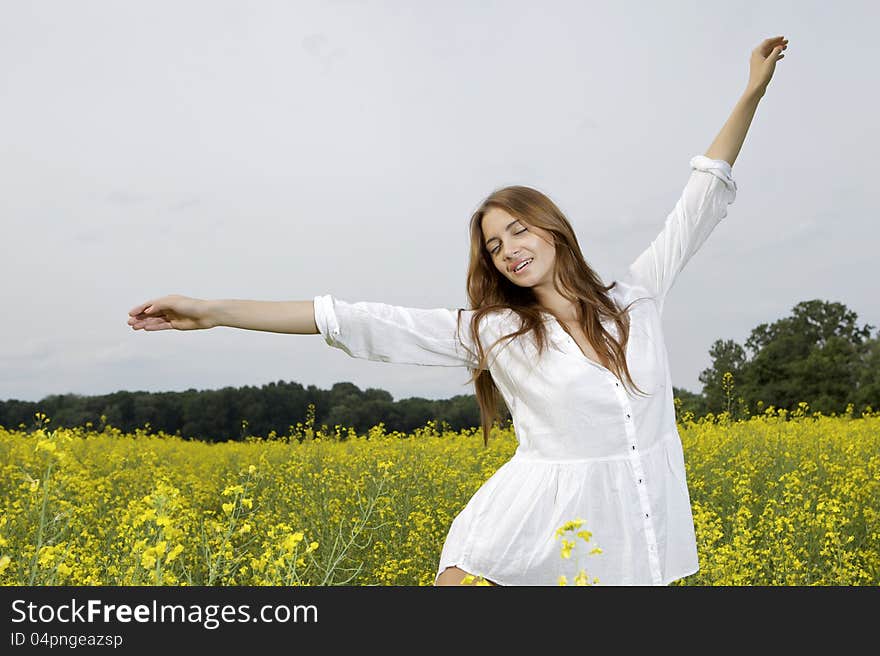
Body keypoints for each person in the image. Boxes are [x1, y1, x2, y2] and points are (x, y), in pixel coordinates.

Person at [127, 36, 788, 586]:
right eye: (495, 246)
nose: (508, 251)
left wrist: (751, 93)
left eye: (519, 232)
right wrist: (211, 310)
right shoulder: (498, 332)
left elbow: (701, 195)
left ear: (553, 230)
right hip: (534, 523)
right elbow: (359, 320)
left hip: (637, 533)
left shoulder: (637, 296)